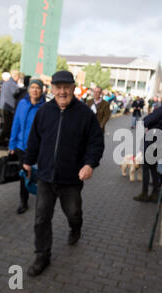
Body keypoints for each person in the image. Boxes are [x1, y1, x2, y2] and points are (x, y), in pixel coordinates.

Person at [23, 70, 104, 277]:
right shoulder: (44, 112)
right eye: (58, 87)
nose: (62, 91)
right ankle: (42, 255)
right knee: (41, 218)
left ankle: (75, 228)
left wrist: (89, 164)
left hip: (71, 179)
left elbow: (96, 142)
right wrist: (28, 161)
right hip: (46, 177)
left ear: (73, 88)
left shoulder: (85, 114)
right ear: (52, 89)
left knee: (73, 213)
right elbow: (34, 139)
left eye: (66, 87)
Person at [133, 87, 162, 203]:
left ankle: (144, 193)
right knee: (153, 167)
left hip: (153, 141)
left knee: (146, 167)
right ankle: (155, 193)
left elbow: (146, 121)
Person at [9, 79, 45, 214]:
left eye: (38, 88)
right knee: (24, 175)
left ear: (42, 91)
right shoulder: (22, 104)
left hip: (38, 148)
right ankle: (23, 201)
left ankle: (42, 199)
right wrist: (12, 144)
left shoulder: (44, 107)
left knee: (39, 175)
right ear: (29, 89)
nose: (35, 90)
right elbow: (16, 124)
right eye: (33, 87)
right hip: (21, 147)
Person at [0, 70, 20, 148]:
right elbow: (17, 94)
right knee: (8, 125)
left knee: (7, 125)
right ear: (16, 77)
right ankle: (1, 140)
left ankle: (4, 140)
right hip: (9, 108)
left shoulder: (6, 83)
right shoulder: (12, 84)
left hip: (3, 106)